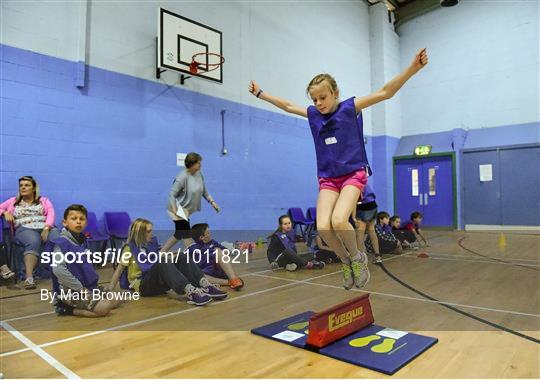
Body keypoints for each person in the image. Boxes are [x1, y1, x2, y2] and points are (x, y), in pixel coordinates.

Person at [249, 48, 428, 289]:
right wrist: (261, 94)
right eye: (314, 99)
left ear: (336, 94)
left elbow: (386, 92)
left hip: (353, 174)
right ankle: (346, 261)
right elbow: (289, 106)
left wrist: (413, 68)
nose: (318, 103)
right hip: (328, 179)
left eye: (323, 97)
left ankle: (358, 258)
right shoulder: (313, 115)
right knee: (323, 226)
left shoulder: (349, 108)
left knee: (339, 219)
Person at [108, 218, 228, 306]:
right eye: (149, 231)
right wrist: (110, 289)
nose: (152, 233)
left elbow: (162, 254)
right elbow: (119, 270)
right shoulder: (129, 249)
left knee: (181, 256)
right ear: (140, 233)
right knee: (162, 260)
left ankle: (204, 285)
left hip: (158, 282)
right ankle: (190, 291)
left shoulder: (151, 243)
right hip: (144, 286)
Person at [51, 204, 122, 317]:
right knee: (104, 308)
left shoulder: (82, 241)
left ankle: (91, 303)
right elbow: (58, 270)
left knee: (116, 299)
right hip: (71, 291)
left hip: (88, 286)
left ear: (86, 223)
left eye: (82, 219)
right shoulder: (61, 244)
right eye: (74, 219)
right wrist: (81, 289)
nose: (78, 222)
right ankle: (65, 308)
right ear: (65, 222)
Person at [0, 176, 60, 289]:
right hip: (24, 228)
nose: (23, 187)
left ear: (34, 188)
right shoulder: (13, 201)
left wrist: (47, 228)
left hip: (44, 227)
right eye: (21, 185)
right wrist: (4, 213)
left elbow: (51, 214)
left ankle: (62, 273)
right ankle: (29, 278)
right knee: (33, 240)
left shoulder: (44, 200)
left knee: (58, 238)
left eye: (27, 185)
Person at [160, 152, 221, 255]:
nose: (200, 165)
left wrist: (212, 202)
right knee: (186, 233)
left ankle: (160, 253)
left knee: (179, 234)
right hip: (176, 208)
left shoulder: (199, 175)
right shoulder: (182, 177)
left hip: (186, 210)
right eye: (198, 163)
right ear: (192, 164)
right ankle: (193, 256)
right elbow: (172, 195)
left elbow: (204, 191)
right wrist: (176, 211)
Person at [188, 223, 245, 290]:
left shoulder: (213, 242)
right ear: (201, 237)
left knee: (218, 250)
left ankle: (233, 279)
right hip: (207, 275)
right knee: (197, 276)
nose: (210, 234)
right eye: (208, 233)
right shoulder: (192, 248)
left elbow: (225, 251)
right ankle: (228, 282)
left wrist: (221, 253)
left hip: (218, 270)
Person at [352, 185, 381, 263]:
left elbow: (354, 202)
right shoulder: (362, 181)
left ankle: (359, 259)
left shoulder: (352, 184)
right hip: (373, 205)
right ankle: (378, 257)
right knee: (372, 231)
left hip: (363, 207)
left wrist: (354, 217)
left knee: (360, 233)